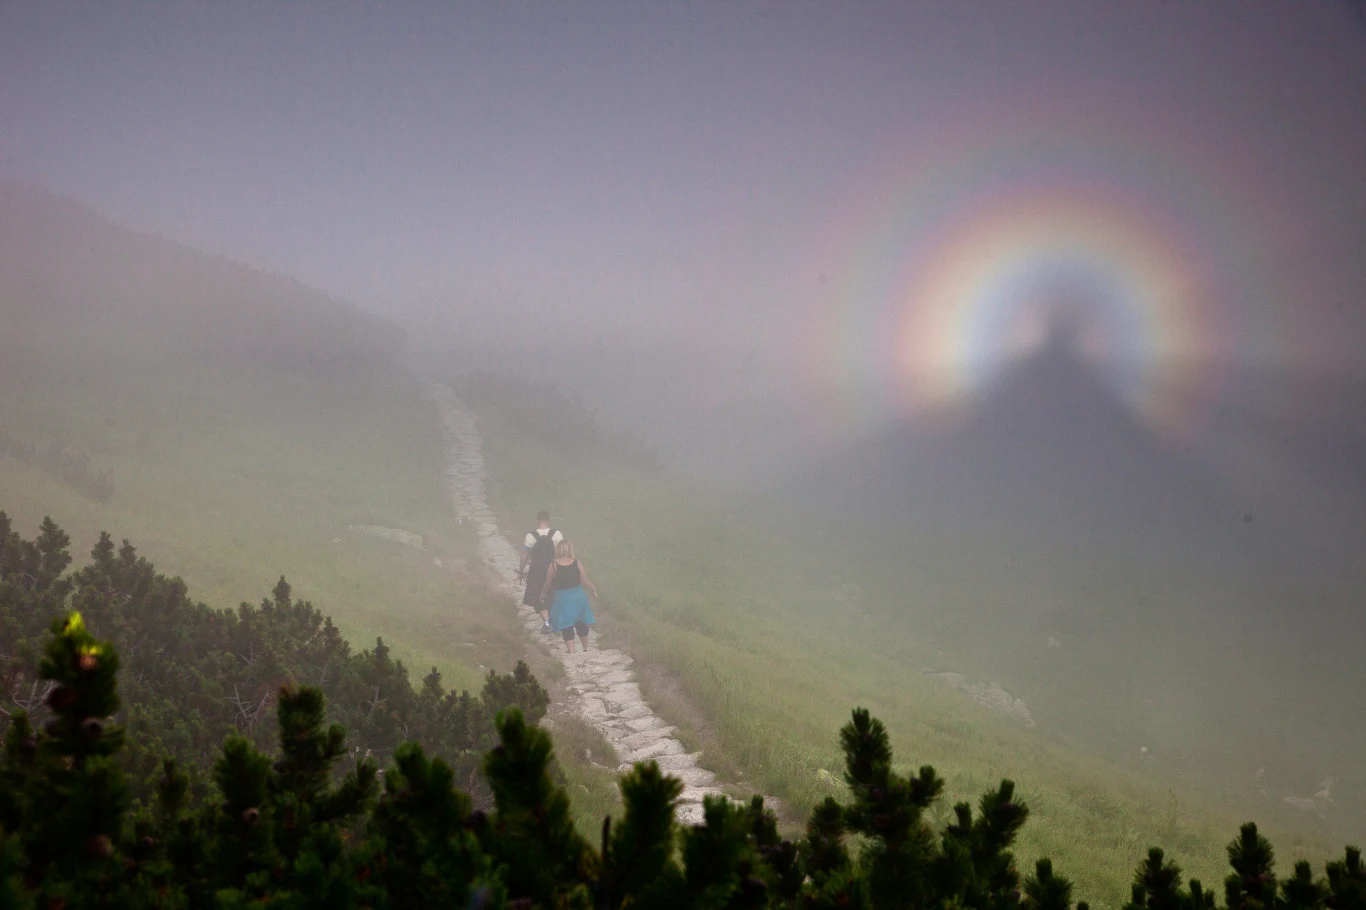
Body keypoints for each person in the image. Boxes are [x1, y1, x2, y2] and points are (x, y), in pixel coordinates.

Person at [540, 539, 597, 653]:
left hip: (562, 599)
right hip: (578, 598)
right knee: (581, 622)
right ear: (570, 550)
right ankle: (586, 648)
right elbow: (584, 580)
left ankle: (572, 652)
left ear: (558, 550)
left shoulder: (553, 566)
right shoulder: (577, 563)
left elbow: (548, 583)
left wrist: (543, 593)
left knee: (566, 625)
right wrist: (593, 589)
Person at [520, 511, 563, 633]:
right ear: (548, 520)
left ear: (537, 521)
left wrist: (521, 570)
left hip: (536, 572)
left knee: (537, 596)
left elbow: (524, 555)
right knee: (553, 594)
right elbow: (563, 553)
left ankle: (548, 622)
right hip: (555, 569)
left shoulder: (530, 536)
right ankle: (554, 621)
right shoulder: (557, 534)